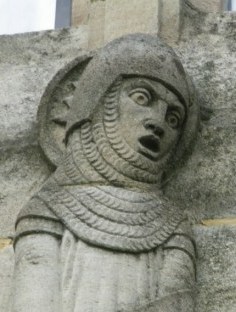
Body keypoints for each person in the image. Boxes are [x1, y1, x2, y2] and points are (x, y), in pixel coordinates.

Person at [11, 34, 199, 312]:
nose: (158, 122)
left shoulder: (173, 229)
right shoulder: (47, 209)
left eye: (173, 118)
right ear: (98, 100)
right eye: (141, 97)